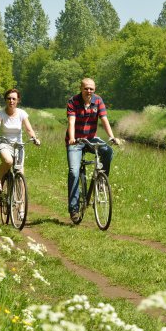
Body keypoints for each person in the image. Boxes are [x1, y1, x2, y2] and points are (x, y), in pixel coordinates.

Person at [66, 78, 120, 223]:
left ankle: (101, 182)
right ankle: (74, 209)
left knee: (107, 151)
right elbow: (71, 122)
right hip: (76, 141)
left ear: (94, 89)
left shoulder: (98, 101)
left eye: (91, 89)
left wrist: (112, 137)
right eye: (86, 88)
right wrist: (72, 138)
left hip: (91, 138)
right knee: (74, 171)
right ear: (81, 88)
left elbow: (104, 120)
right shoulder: (73, 101)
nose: (88, 91)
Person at [0, 88, 40, 193]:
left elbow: (28, 129)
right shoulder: (1, 113)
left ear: (18, 100)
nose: (11, 101)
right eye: (8, 98)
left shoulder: (22, 113)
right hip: (4, 144)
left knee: (20, 174)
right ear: (5, 100)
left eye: (13, 99)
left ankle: (21, 207)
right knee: (8, 161)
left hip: (18, 146)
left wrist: (34, 138)